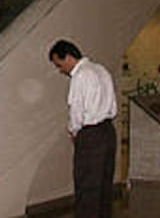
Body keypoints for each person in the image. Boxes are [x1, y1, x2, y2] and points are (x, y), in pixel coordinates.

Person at [49, 39, 117, 218]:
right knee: (103, 186)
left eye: (59, 64)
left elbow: (77, 110)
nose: (60, 69)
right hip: (108, 132)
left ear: (69, 57)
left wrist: (74, 131)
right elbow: (112, 105)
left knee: (87, 187)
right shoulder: (101, 70)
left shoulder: (81, 75)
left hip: (91, 135)